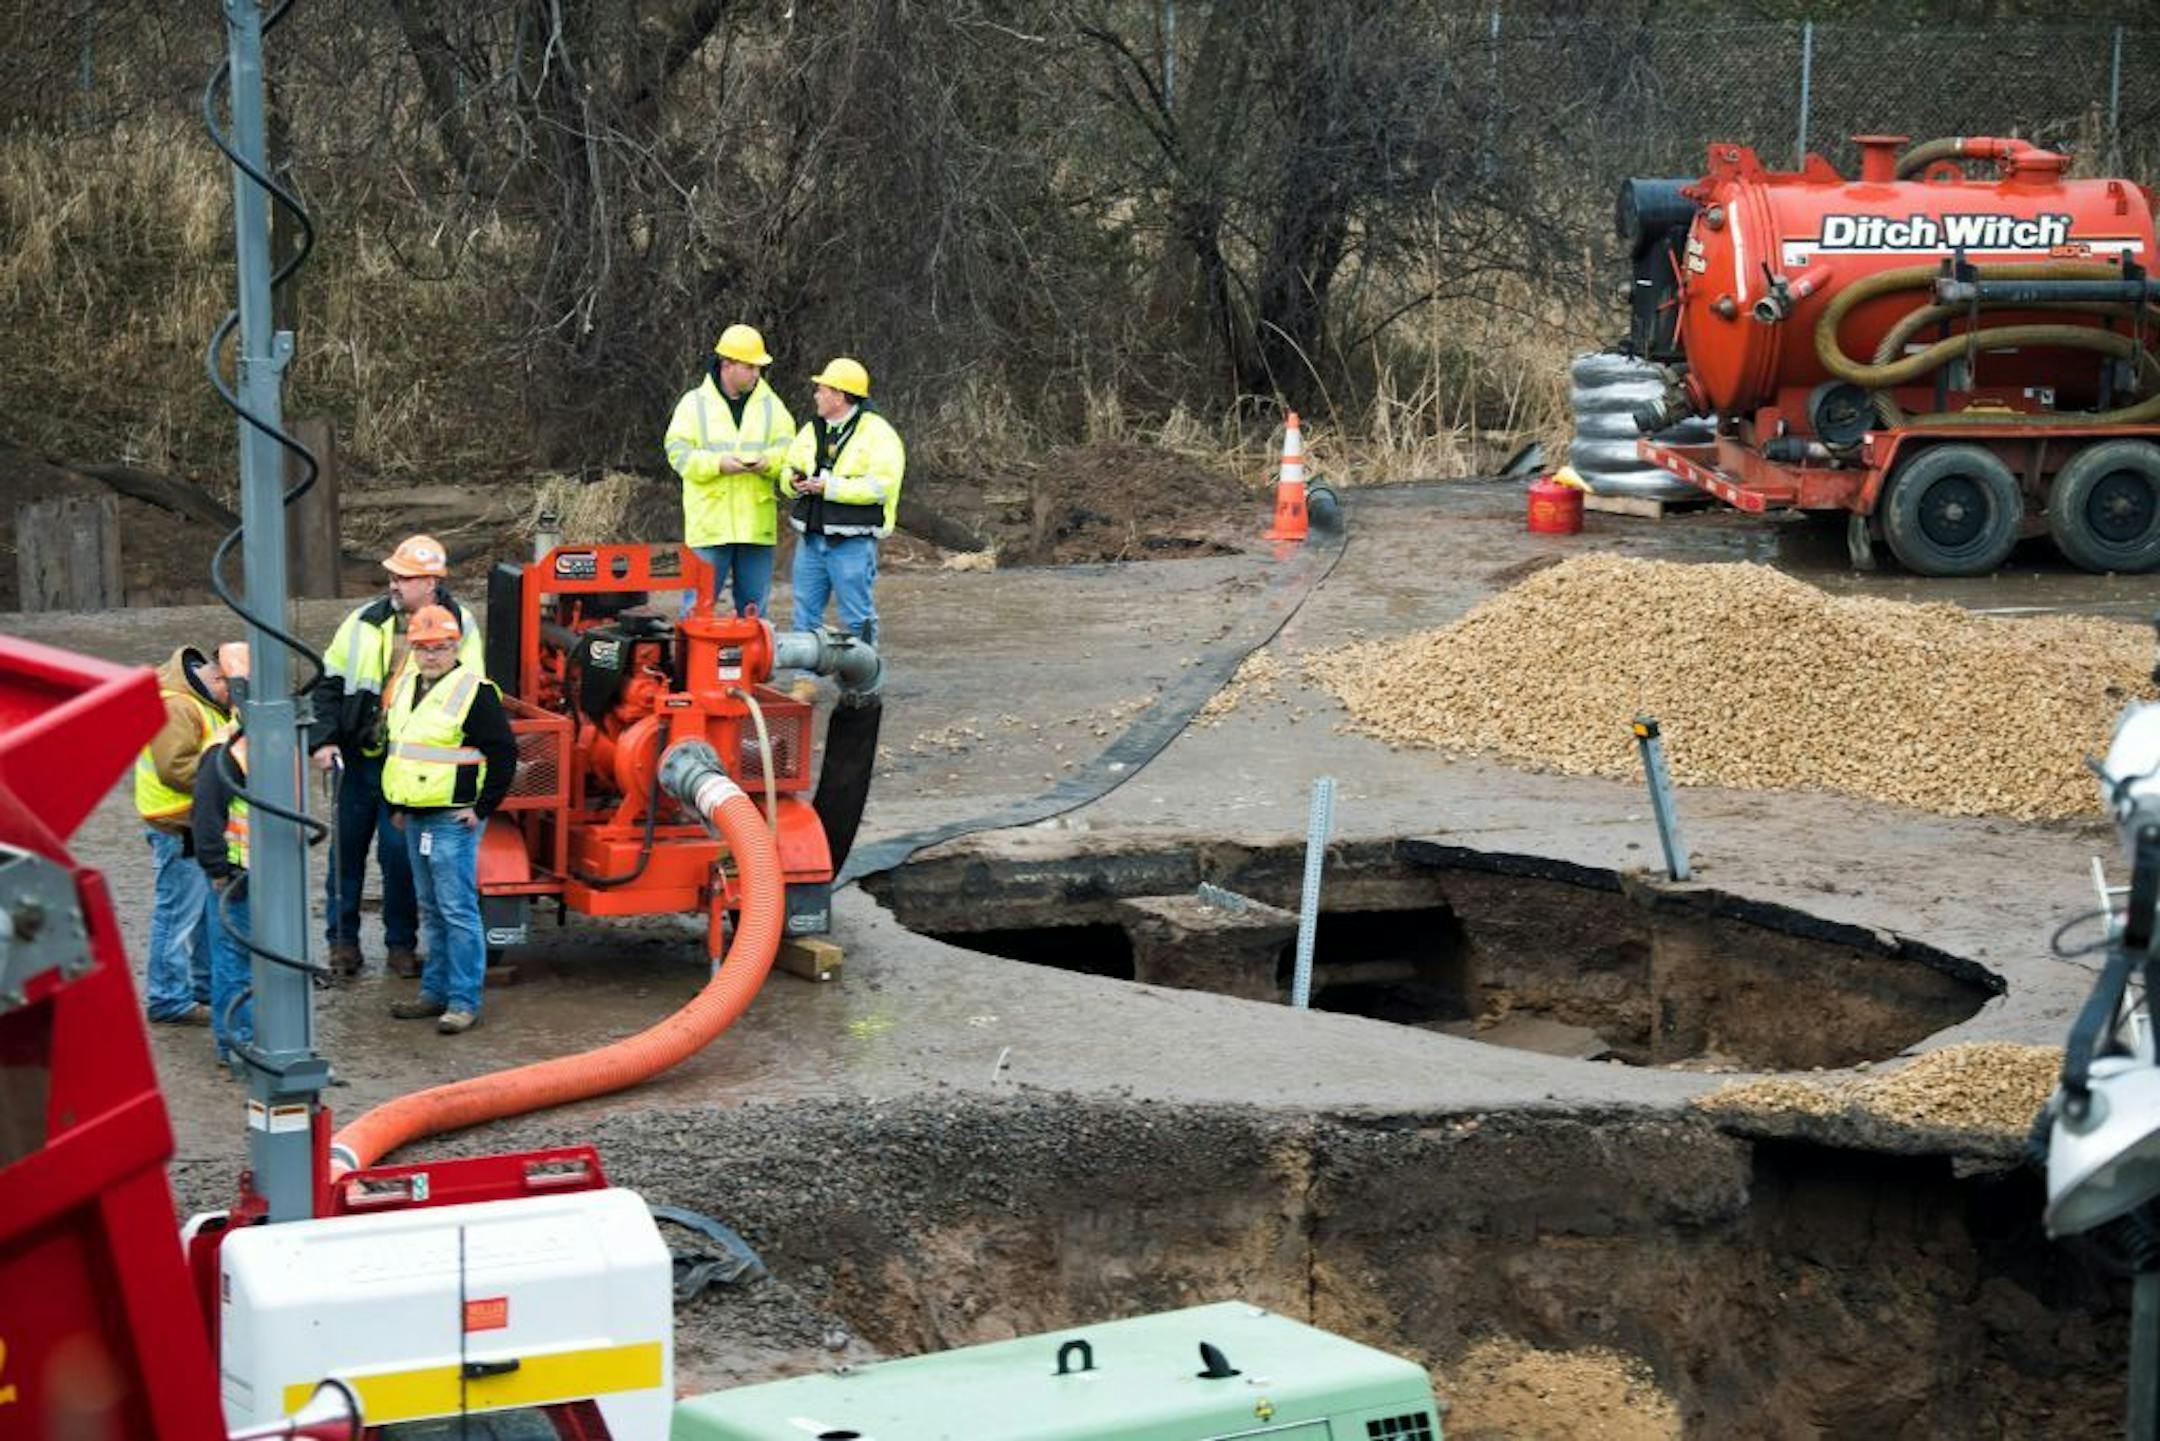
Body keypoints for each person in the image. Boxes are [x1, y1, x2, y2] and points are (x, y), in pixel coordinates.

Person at [309, 534, 482, 980]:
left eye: (403, 577)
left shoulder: (460, 625)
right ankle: (342, 945)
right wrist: (323, 741)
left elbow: (471, 698)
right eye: (393, 576)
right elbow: (329, 685)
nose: (393, 584)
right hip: (358, 759)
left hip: (411, 768)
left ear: (430, 582)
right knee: (345, 855)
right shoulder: (364, 622)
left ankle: (401, 946)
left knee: (399, 858)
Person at [380, 605, 515, 1035]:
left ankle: (462, 1001)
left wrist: (482, 808)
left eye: (439, 648)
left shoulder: (474, 692)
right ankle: (434, 993)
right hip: (416, 816)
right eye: (423, 648)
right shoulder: (406, 686)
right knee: (432, 908)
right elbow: (400, 751)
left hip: (452, 819)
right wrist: (397, 806)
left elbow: (504, 753)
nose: (431, 655)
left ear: (455, 647)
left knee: (456, 910)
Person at [663, 323, 797, 617]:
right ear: (727, 365)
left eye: (758, 367)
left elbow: (791, 451)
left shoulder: (772, 406)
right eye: (750, 367)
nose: (756, 374)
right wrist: (717, 464)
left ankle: (748, 652)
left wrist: (768, 463)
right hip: (710, 527)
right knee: (697, 614)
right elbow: (678, 454)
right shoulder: (694, 405)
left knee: (753, 616)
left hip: (755, 527)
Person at [134, 644, 233, 1026]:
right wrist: (230, 775)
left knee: (200, 912)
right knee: (177, 915)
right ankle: (167, 998)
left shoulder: (192, 699)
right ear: (218, 678)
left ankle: (202, 988)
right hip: (178, 825)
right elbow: (174, 768)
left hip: (187, 822)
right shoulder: (179, 706)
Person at [780, 356, 905, 648]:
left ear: (839, 396)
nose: (816, 395)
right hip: (811, 539)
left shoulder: (878, 434)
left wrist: (830, 488)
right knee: (804, 617)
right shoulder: (812, 429)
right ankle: (806, 673)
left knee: (858, 619)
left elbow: (881, 487)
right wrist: (793, 482)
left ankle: (865, 675)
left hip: (852, 543)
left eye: (822, 390)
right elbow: (789, 467)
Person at [190, 645, 254, 1066]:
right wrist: (218, 867)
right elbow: (206, 815)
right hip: (236, 872)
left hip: (262, 871)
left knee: (245, 958)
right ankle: (237, 1045)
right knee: (234, 959)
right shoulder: (225, 750)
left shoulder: (257, 743)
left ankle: (244, 1039)